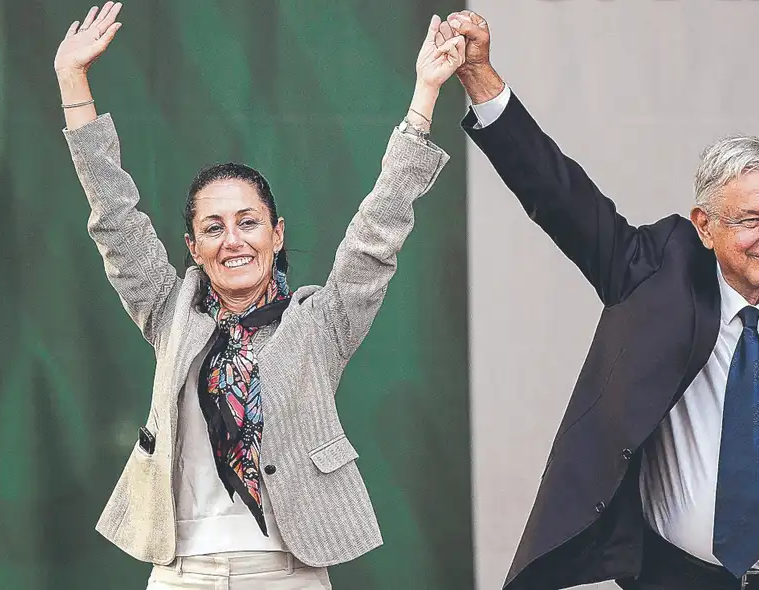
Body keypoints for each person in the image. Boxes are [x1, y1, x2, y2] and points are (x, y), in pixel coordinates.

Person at [443, 10, 759, 590]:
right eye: (750, 220)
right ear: (704, 225)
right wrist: (480, 78)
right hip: (674, 578)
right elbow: (558, 194)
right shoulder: (655, 276)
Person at [54, 4, 466, 588]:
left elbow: (378, 231)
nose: (233, 240)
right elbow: (115, 217)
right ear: (193, 246)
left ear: (276, 234)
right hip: (182, 571)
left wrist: (425, 94)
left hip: (287, 570)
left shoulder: (321, 322)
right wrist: (74, 85)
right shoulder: (170, 312)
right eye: (214, 227)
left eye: (248, 222)